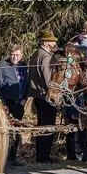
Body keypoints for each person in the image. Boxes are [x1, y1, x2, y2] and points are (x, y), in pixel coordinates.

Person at [27, 31, 60, 162]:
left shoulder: (36, 54)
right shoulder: (45, 57)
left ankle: (41, 155)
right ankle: (43, 156)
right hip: (45, 96)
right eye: (52, 41)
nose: (54, 43)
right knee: (47, 127)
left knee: (41, 126)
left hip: (37, 95)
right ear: (46, 42)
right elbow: (48, 80)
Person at [0, 45, 27, 165]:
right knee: (5, 131)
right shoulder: (3, 65)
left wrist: (25, 98)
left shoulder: (24, 66)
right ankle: (2, 159)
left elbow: (27, 83)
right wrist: (2, 103)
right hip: (7, 103)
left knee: (16, 130)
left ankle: (13, 158)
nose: (15, 57)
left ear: (21, 55)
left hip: (20, 103)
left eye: (17, 55)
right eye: (13, 54)